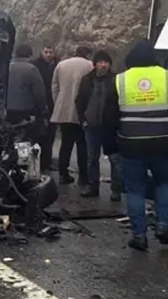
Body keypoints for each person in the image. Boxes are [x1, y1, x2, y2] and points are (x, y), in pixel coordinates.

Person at [102, 39, 168, 251]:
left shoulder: (120, 80)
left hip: (131, 147)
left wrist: (109, 147)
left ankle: (139, 236)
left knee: (135, 190)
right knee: (164, 184)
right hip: (164, 143)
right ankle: (163, 225)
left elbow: (108, 118)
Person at [75, 49, 122, 201]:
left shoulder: (116, 80)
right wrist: (83, 120)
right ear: (95, 64)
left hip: (110, 126)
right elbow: (80, 101)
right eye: (100, 62)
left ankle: (116, 190)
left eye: (106, 62)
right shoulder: (87, 80)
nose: (103, 65)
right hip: (91, 125)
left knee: (114, 159)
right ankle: (92, 186)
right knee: (92, 158)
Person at [51, 46, 93, 185]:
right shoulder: (90, 65)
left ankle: (63, 174)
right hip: (83, 111)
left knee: (66, 143)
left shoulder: (61, 65)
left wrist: (58, 102)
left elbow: (54, 86)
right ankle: (83, 177)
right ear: (88, 54)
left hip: (64, 109)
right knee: (82, 144)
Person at [6, 44, 48, 141]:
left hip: (7, 111)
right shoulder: (32, 69)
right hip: (25, 111)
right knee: (27, 139)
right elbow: (39, 93)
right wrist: (42, 109)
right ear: (29, 55)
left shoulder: (7, 68)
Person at [31, 44, 58, 171]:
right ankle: (36, 162)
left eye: (50, 52)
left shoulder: (57, 65)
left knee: (50, 134)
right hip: (38, 105)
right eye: (46, 52)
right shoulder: (35, 65)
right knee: (37, 135)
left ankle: (46, 161)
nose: (48, 54)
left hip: (53, 103)